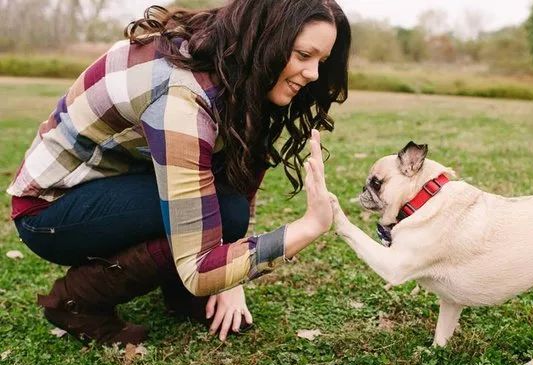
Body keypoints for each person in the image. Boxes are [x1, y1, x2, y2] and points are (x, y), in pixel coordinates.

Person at [6, 0, 350, 344]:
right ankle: (78, 300)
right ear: (264, 39)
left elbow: (239, 178)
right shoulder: (182, 96)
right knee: (224, 213)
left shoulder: (230, 71)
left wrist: (230, 274)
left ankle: (181, 294)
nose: (314, 74)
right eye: (303, 55)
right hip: (49, 209)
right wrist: (309, 227)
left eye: (321, 61)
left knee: (229, 207)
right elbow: (200, 266)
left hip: (115, 183)